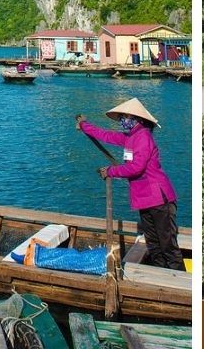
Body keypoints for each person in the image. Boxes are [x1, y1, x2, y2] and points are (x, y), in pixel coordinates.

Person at [76, 98, 183, 270]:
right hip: (145, 199)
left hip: (158, 198)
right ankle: (160, 275)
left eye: (124, 117)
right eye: (121, 117)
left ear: (137, 119)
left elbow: (136, 167)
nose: (122, 120)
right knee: (153, 244)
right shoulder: (130, 137)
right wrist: (84, 125)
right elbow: (105, 135)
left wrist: (111, 171)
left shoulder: (143, 137)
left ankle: (179, 280)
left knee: (167, 245)